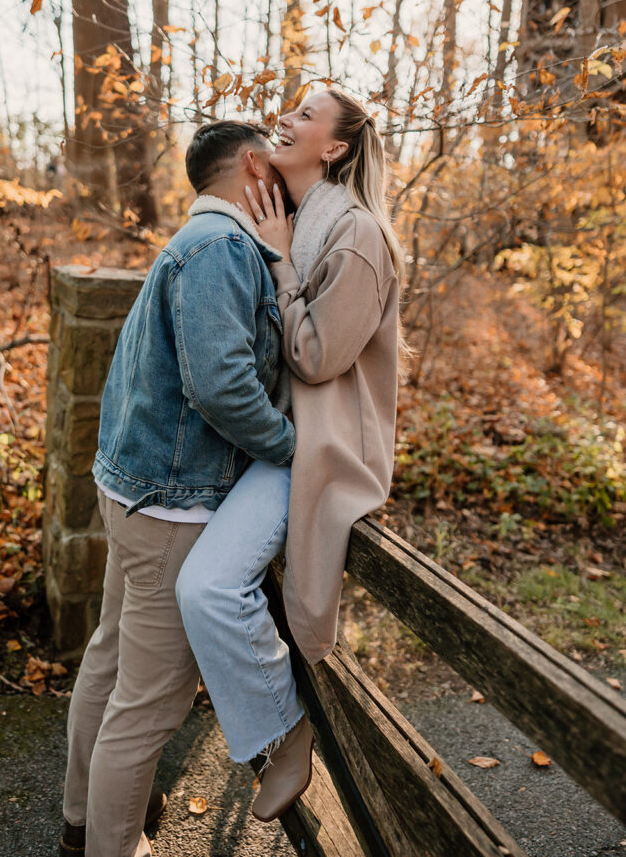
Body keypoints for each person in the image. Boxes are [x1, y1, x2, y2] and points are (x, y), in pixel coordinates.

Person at [59, 121, 297, 857]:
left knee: (109, 661)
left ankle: (79, 821)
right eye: (278, 163)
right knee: (149, 705)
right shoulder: (222, 250)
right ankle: (108, 845)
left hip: (138, 493)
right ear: (254, 166)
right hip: (173, 506)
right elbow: (220, 385)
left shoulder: (191, 244)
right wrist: (296, 452)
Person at [176, 87, 409, 823]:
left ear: (334, 148)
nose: (286, 117)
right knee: (200, 590)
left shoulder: (356, 234)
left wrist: (277, 263)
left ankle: (283, 731)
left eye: (305, 115)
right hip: (278, 444)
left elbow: (314, 359)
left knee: (207, 587)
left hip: (323, 449)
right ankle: (278, 729)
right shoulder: (294, 216)